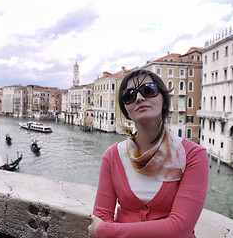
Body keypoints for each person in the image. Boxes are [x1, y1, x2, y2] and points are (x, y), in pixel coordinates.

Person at [88, 69, 209, 238]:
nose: (139, 98)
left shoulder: (194, 156)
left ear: (164, 101)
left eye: (149, 90)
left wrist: (106, 231)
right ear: (126, 109)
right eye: (129, 95)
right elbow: (101, 216)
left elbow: (180, 228)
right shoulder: (112, 155)